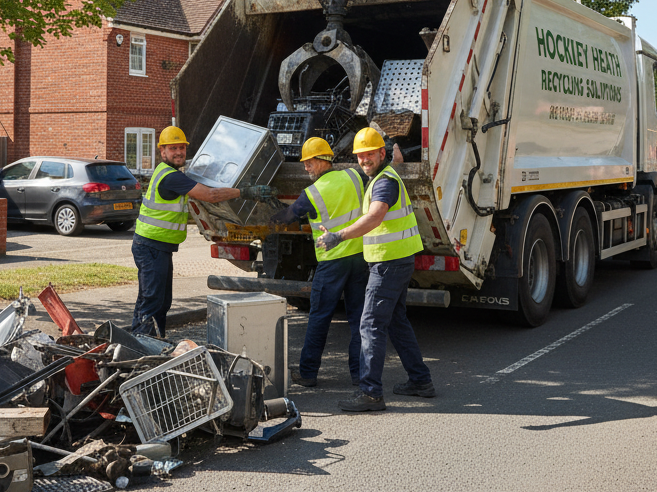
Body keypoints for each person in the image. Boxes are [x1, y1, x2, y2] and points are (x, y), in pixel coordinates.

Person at [316, 127, 434, 412]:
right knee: (395, 321)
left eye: (369, 154)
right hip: (396, 260)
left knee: (370, 325)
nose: (364, 160)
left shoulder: (383, 183)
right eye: (360, 155)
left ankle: (370, 393)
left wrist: (338, 236)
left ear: (381, 153)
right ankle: (420, 381)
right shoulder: (386, 174)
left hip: (389, 264)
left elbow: (375, 216)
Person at [271, 137, 403, 388]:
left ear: (322, 161)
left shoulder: (311, 193)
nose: (306, 168)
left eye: (309, 163)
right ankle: (358, 374)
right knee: (358, 320)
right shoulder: (354, 175)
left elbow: (287, 217)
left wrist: (266, 215)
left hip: (332, 262)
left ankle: (308, 373)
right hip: (359, 258)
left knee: (319, 317)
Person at [132, 125, 273, 337]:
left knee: (158, 301)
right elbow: (210, 195)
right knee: (152, 301)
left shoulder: (169, 173)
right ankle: (142, 346)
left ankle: (152, 341)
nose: (179, 152)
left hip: (156, 247)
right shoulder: (171, 177)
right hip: (151, 247)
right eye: (173, 148)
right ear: (162, 152)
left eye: (182, 148)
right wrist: (245, 192)